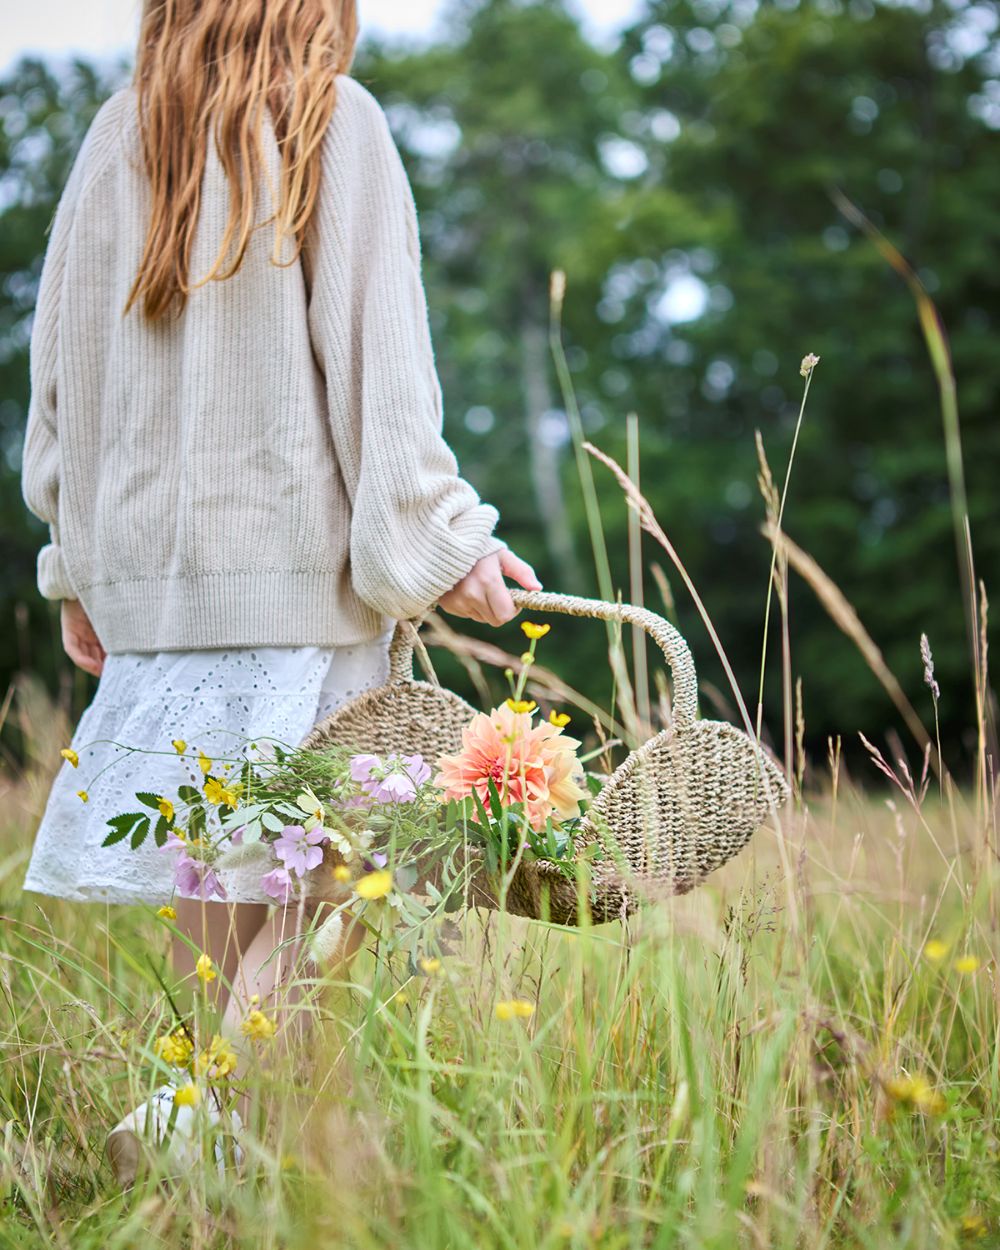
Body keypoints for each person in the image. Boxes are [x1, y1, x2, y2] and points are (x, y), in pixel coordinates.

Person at [19, 0, 540, 1183]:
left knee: (225, 919)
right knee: (328, 898)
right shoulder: (330, 119)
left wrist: (78, 568)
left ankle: (233, 1190)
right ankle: (187, 1132)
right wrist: (444, 542)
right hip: (299, 601)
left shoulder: (121, 133)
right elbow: (381, 366)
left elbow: (59, 385)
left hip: (153, 607)